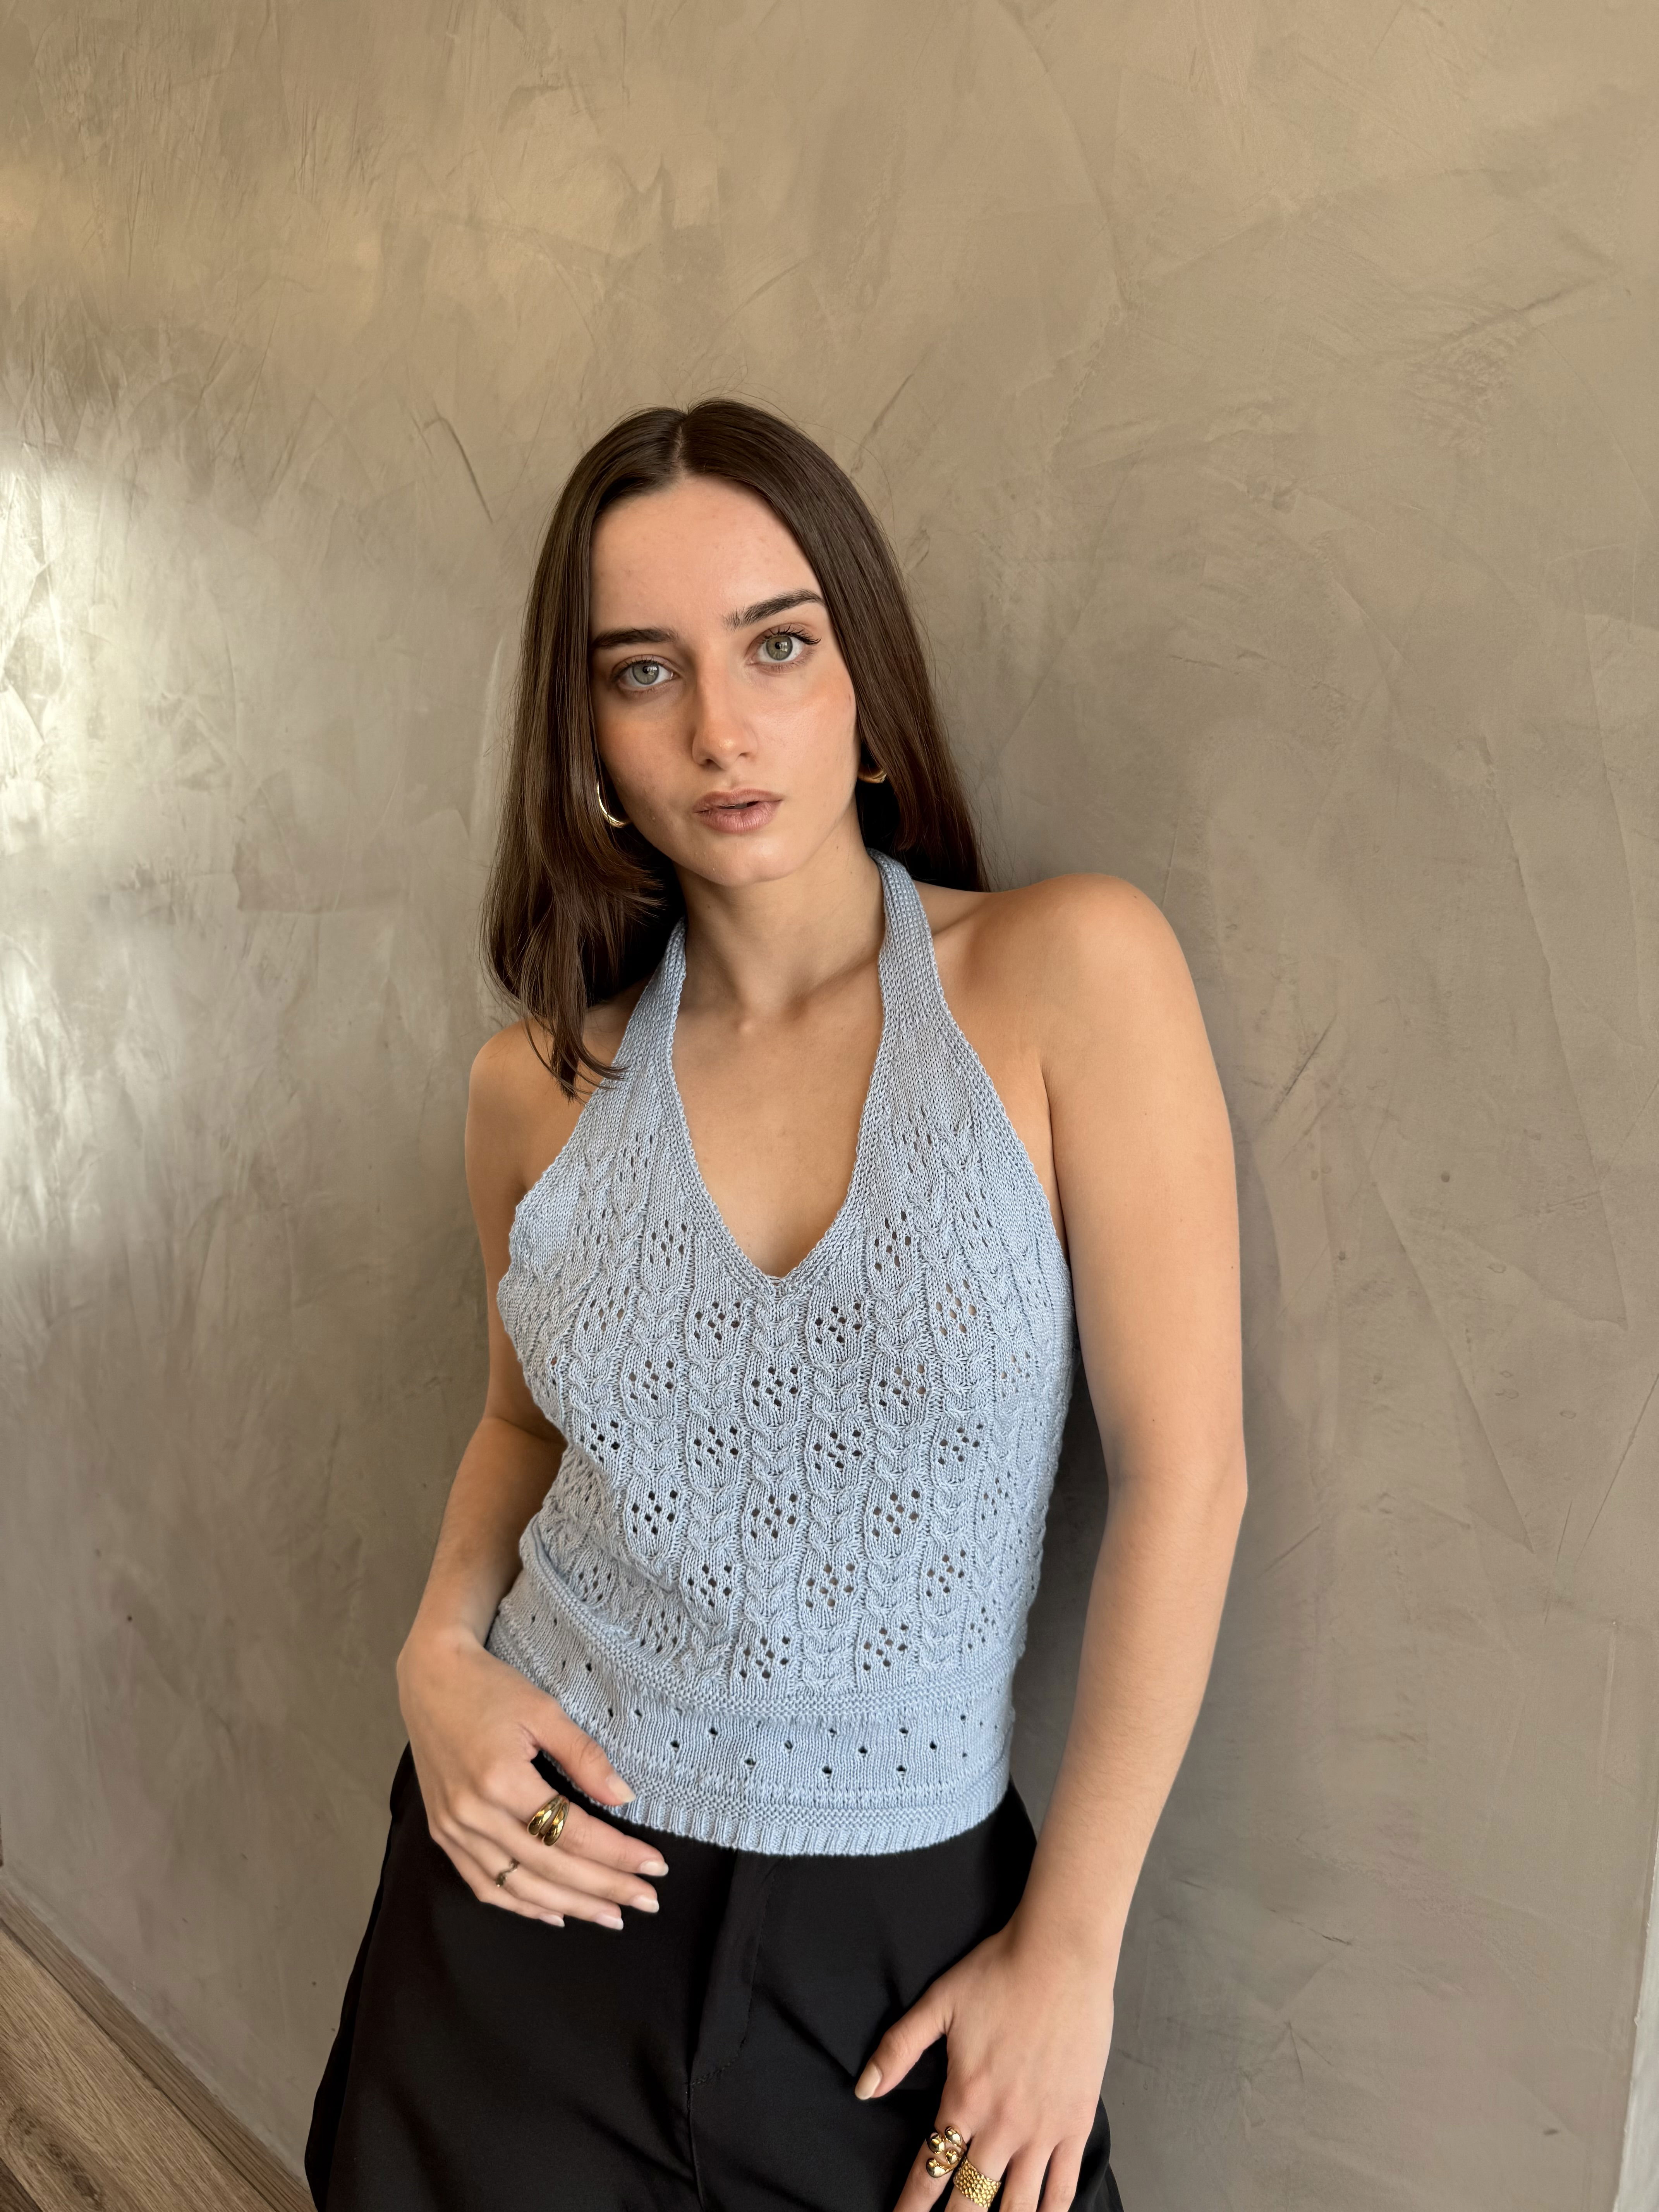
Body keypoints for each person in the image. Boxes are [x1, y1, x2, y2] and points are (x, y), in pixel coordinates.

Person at [304, 397, 1247, 2212]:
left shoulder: (1068, 976)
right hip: (525, 1902)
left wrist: (1073, 1953)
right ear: (585, 735)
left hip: (901, 1947)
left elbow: (1187, 1478)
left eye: (779, 646)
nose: (720, 731)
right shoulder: (537, 1088)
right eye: (642, 671)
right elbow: (520, 1420)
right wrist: (437, 1655)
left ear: (866, 684)